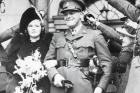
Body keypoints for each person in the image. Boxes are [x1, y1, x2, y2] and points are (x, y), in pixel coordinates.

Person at [44, 0, 112, 93]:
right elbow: (48, 61)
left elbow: (107, 64)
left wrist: (100, 88)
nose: (68, 16)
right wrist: (54, 76)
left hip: (82, 87)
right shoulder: (57, 36)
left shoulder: (94, 35)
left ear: (81, 14)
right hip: (59, 88)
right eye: (65, 14)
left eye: (72, 13)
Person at [5, 7, 53, 93]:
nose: (33, 28)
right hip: (20, 83)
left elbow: (52, 61)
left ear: (41, 28)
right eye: (30, 26)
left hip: (41, 84)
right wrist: (20, 69)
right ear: (26, 28)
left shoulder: (48, 43)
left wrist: (39, 68)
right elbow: (8, 63)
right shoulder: (18, 42)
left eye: (36, 26)